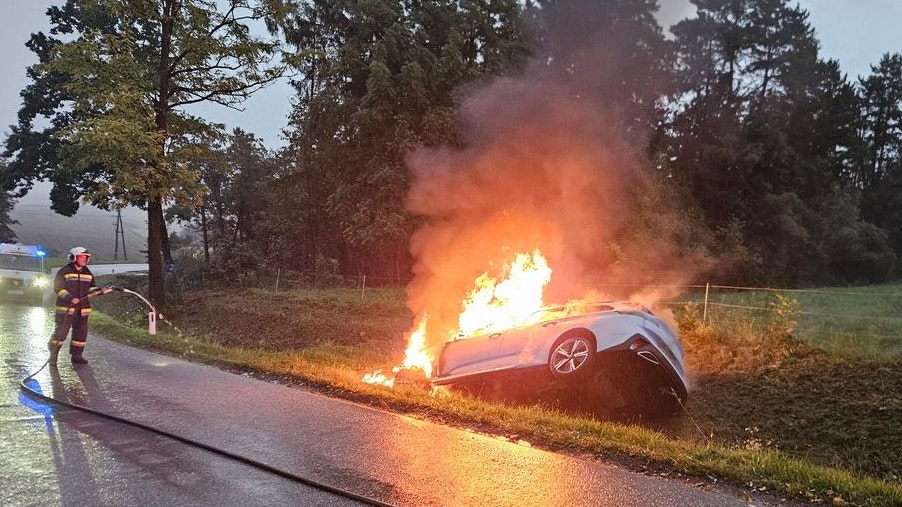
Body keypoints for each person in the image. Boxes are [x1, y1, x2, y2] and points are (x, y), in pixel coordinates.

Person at [47, 247, 111, 365]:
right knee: (61, 332)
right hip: (66, 309)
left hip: (83, 310)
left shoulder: (87, 272)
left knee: (81, 333)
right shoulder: (64, 271)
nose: (84, 260)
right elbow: (58, 288)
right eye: (81, 257)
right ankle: (53, 355)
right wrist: (70, 298)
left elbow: (91, 288)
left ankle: (76, 355)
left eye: (86, 257)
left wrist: (99, 291)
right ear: (73, 258)